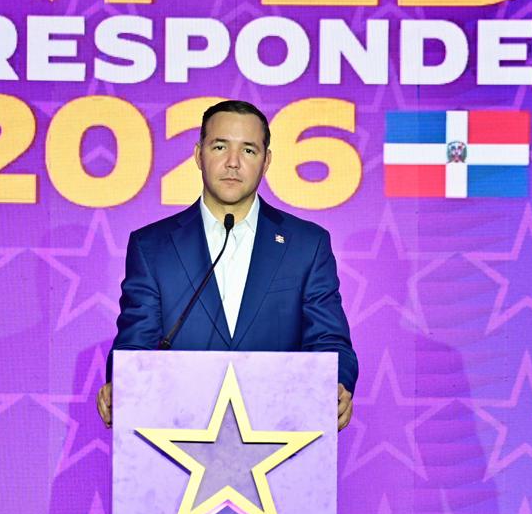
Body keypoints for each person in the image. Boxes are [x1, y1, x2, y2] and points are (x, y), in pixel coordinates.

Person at [97, 99, 357, 430]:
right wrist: (122, 383)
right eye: (220, 147)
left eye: (248, 150)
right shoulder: (152, 247)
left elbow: (329, 341)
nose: (233, 162)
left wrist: (336, 384)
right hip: (176, 433)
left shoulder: (307, 245)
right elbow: (135, 342)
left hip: (281, 431)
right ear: (198, 155)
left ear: (266, 161)